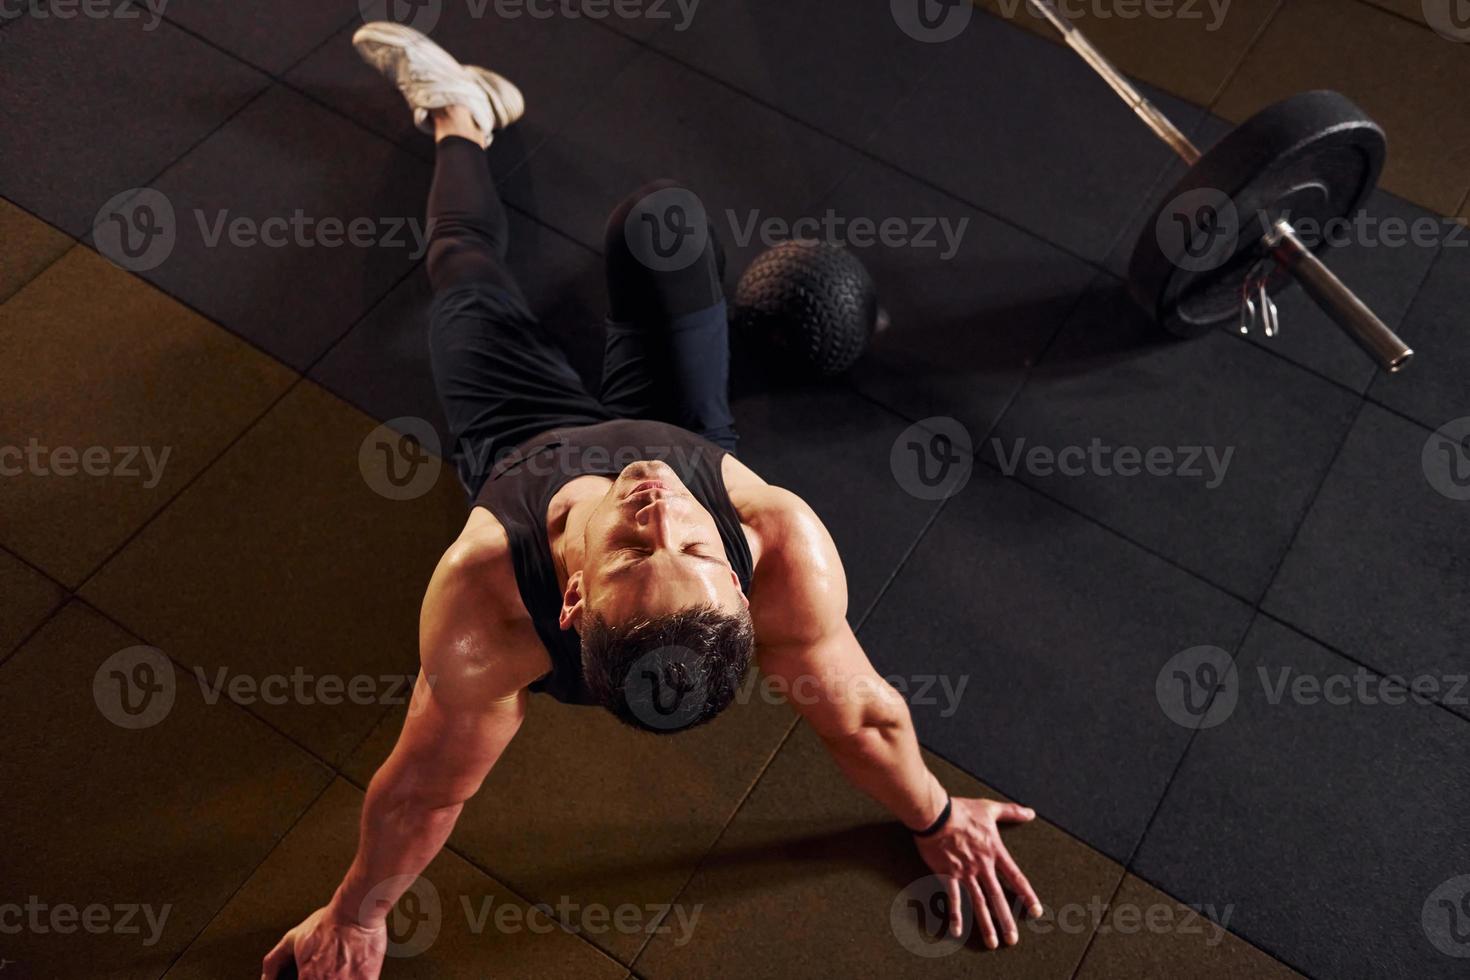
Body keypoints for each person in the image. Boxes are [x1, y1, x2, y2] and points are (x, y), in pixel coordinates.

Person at [262, 22, 1041, 979]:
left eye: (638, 552)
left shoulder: (480, 610)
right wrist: (931, 813)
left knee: (461, 270)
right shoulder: (775, 539)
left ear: (575, 598)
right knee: (659, 219)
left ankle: (461, 110)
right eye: (700, 552)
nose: (661, 507)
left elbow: (423, 797)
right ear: (741, 579)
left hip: (521, 438)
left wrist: (356, 916)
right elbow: (866, 716)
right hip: (679, 425)